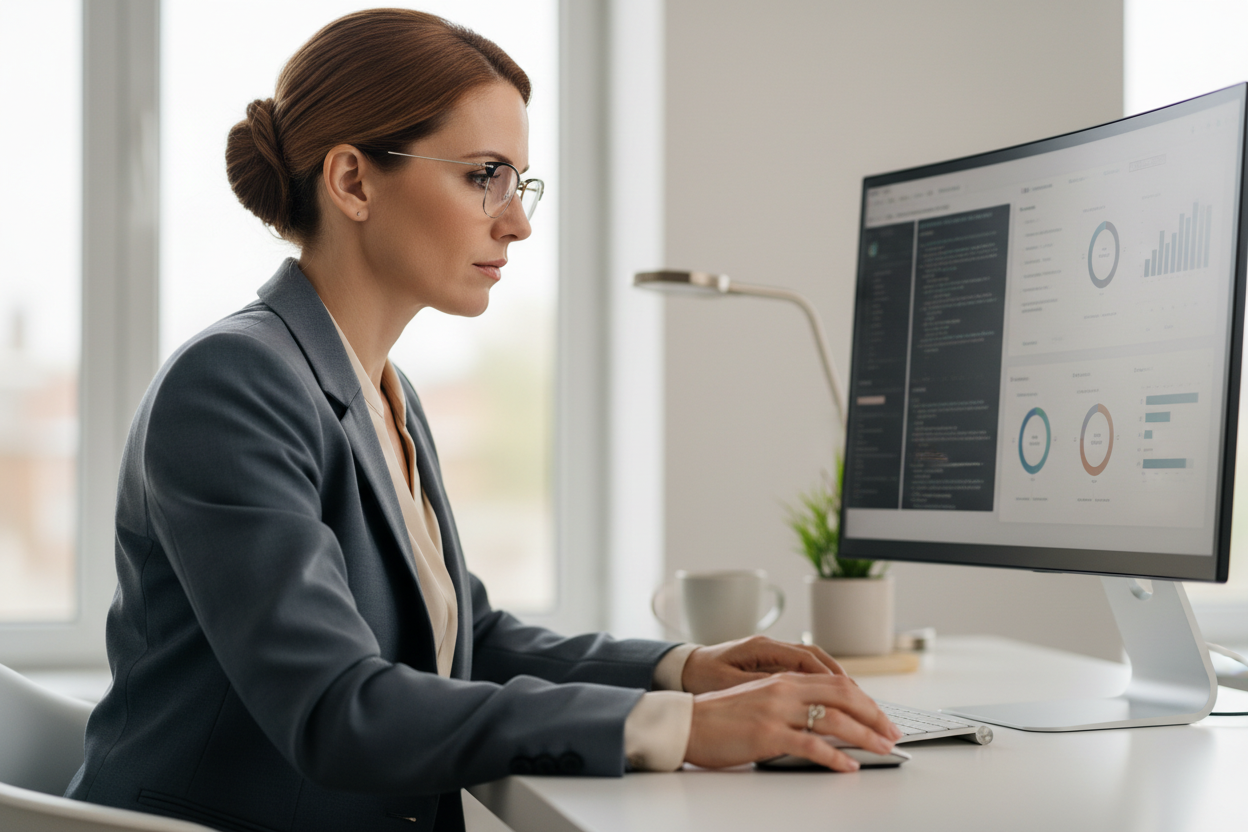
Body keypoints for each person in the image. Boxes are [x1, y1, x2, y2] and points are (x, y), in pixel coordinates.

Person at [66, 9, 901, 832]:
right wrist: (675, 732)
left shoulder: (380, 387)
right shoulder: (234, 383)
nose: (519, 221)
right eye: (483, 176)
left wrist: (683, 672)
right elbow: (333, 707)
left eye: (520, 182)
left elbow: (467, 637)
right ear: (353, 181)